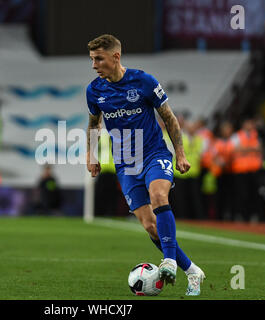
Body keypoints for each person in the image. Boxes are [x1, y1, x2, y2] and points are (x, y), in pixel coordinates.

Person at [85, 34, 205, 296]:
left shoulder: (144, 81)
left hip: (154, 154)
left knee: (159, 194)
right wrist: (90, 155)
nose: (94, 65)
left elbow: (169, 118)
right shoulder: (94, 90)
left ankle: (169, 261)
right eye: (92, 59)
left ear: (115, 56)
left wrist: (180, 153)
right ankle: (193, 271)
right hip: (126, 165)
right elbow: (94, 124)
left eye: (98, 59)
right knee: (150, 226)